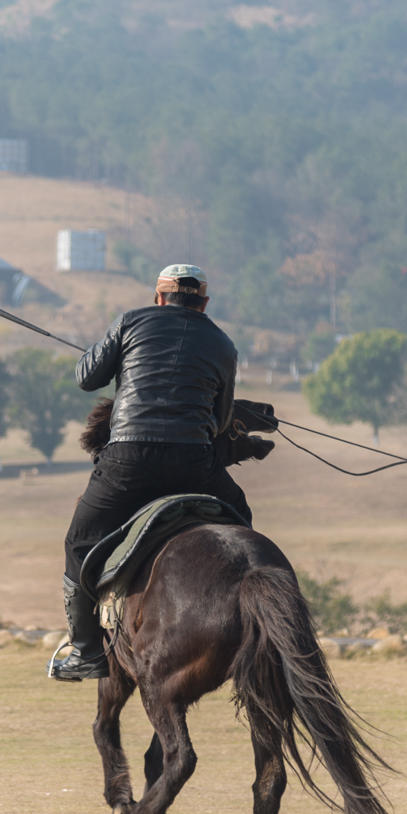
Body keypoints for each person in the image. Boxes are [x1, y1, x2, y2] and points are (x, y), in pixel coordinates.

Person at [48, 264, 252, 681]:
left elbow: (87, 378)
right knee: (242, 523)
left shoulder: (130, 322)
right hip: (193, 464)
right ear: (204, 303)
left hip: (128, 461)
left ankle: (86, 651)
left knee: (79, 541)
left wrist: (106, 351)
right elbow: (219, 420)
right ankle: (248, 625)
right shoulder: (223, 344)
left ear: (158, 297)